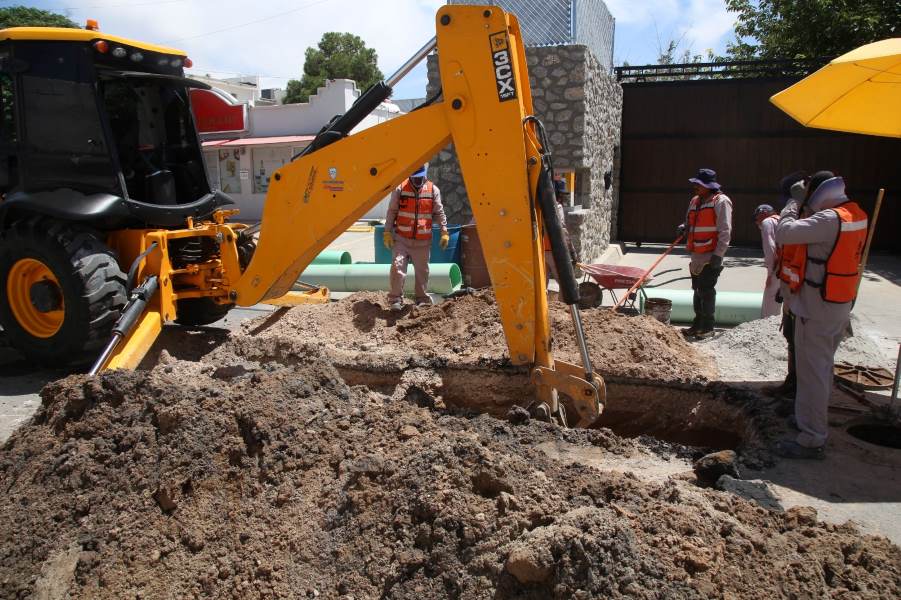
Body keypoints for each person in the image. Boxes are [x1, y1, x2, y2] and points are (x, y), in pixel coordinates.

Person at [774, 171, 868, 459]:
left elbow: (784, 232)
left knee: (813, 373)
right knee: (820, 369)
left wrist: (792, 202)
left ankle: (812, 438)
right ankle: (808, 420)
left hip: (817, 308)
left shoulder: (828, 220)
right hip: (837, 304)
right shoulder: (856, 214)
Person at [383, 164, 448, 311]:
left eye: (420, 178)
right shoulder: (400, 188)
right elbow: (392, 211)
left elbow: (439, 212)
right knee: (397, 267)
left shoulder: (433, 190)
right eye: (415, 178)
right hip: (402, 238)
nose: (418, 181)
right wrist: (387, 232)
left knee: (422, 272)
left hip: (422, 241)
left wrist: (444, 232)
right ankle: (395, 300)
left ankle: (422, 299)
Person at [678, 168, 733, 339]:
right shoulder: (695, 201)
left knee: (706, 290)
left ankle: (708, 327)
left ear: (709, 186)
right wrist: (684, 227)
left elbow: (725, 230)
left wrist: (719, 254)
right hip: (696, 254)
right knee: (697, 290)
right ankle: (697, 324)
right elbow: (690, 221)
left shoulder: (721, 201)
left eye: (699, 184)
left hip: (711, 254)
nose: (695, 186)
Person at [544, 179, 578, 284]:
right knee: (564, 284)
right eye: (562, 194)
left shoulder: (540, 206)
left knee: (542, 283)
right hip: (554, 251)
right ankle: (564, 301)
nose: (563, 197)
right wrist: (572, 252)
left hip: (540, 250)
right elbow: (563, 231)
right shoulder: (557, 207)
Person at [754, 204, 781, 318]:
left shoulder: (767, 222)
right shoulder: (782, 220)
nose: (756, 222)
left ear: (763, 213)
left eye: (756, 218)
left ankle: (767, 326)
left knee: (770, 300)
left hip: (778, 267)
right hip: (790, 265)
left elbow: (770, 249)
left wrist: (770, 274)